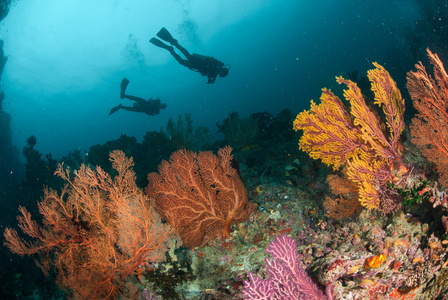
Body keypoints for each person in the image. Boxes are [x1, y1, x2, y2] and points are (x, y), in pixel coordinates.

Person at [150, 27, 230, 84]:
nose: (221, 72)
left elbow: (209, 77)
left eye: (222, 74)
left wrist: (210, 81)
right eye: (223, 71)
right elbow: (208, 58)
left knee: (180, 61)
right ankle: (174, 43)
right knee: (185, 53)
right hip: (197, 60)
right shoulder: (218, 64)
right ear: (223, 69)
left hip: (194, 66)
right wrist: (197, 55)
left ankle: (170, 50)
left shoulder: (214, 75)